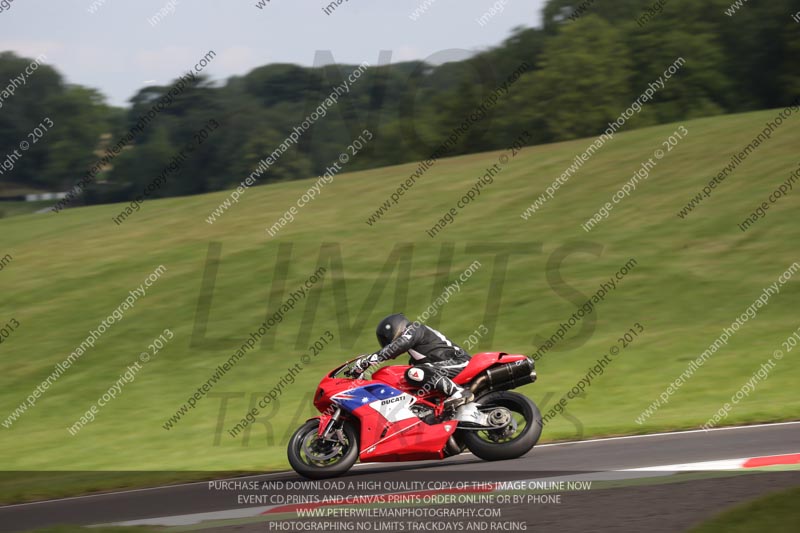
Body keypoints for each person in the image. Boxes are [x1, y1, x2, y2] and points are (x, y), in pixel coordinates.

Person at [352, 313, 474, 408]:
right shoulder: (415, 358)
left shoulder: (414, 328)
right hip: (446, 366)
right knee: (411, 376)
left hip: (458, 361)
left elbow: (398, 346)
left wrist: (367, 361)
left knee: (414, 373)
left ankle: (460, 393)